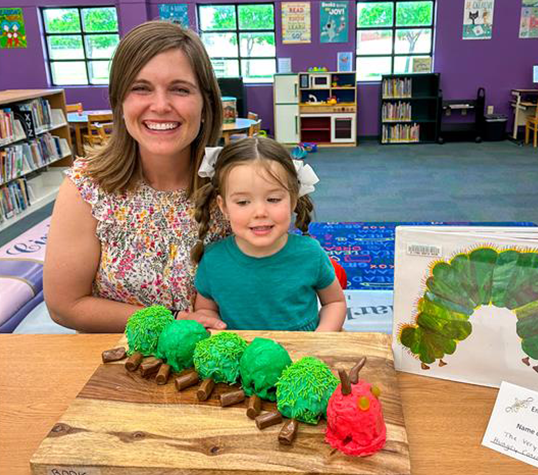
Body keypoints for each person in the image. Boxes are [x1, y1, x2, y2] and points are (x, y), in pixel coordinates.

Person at [44, 21, 231, 332]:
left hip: (221, 365)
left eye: (180, 89)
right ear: (119, 101)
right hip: (114, 366)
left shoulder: (233, 185)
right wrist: (169, 322)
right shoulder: (88, 187)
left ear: (206, 103)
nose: (160, 106)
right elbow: (65, 306)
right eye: (140, 88)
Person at [191, 136, 347, 331]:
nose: (260, 212)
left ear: (292, 201)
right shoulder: (213, 259)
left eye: (273, 199)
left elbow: (334, 303)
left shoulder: (311, 254)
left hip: (304, 355)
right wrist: (212, 324)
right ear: (224, 207)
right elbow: (206, 310)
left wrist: (321, 338)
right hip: (240, 357)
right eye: (242, 202)